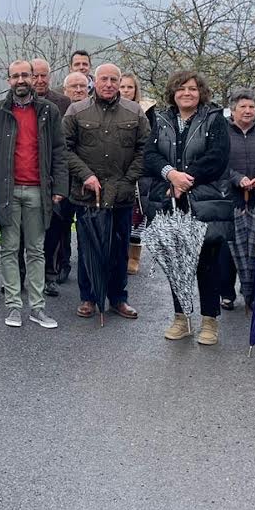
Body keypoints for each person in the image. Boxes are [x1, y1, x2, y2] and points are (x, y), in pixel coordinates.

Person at [0, 59, 69, 328]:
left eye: (24, 75)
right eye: (15, 76)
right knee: (9, 249)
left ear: (33, 78)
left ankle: (37, 308)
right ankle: (14, 306)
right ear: (8, 81)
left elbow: (59, 152)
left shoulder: (49, 112)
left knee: (36, 250)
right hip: (7, 191)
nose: (20, 80)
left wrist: (59, 188)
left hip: (39, 191)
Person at [144, 70, 232, 346]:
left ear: (200, 92)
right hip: (169, 198)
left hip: (202, 199)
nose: (187, 93)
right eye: (181, 88)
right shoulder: (159, 119)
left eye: (192, 89)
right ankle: (181, 319)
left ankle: (209, 321)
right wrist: (171, 174)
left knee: (207, 261)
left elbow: (217, 158)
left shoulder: (215, 119)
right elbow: (149, 154)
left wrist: (185, 180)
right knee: (176, 261)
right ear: (173, 92)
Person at [63, 63, 147, 322]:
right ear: (94, 82)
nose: (109, 84)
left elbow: (145, 151)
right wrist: (85, 175)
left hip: (121, 194)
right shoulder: (76, 111)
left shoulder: (134, 112)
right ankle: (88, 298)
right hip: (87, 195)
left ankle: (118, 299)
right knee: (89, 248)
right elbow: (64, 149)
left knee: (119, 249)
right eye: (104, 79)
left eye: (114, 79)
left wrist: (127, 180)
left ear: (120, 82)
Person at [224, 88, 255, 310]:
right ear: (232, 110)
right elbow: (217, 165)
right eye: (242, 107)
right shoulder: (222, 133)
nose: (247, 111)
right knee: (230, 252)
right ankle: (228, 293)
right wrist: (236, 178)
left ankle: (252, 295)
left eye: (252, 107)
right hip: (229, 201)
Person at [31, 58, 72, 291]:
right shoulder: (20, 101)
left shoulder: (63, 103)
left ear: (50, 76)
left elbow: (64, 146)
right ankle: (22, 274)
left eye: (43, 75)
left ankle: (49, 274)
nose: (39, 80)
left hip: (54, 175)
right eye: (34, 75)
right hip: (26, 176)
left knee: (53, 228)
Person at [119, 70, 157, 275]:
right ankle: (119, 253)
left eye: (129, 87)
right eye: (122, 87)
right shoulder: (112, 108)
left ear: (136, 90)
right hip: (118, 167)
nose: (126, 91)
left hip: (141, 169)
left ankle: (134, 256)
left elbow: (151, 141)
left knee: (137, 214)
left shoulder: (147, 110)